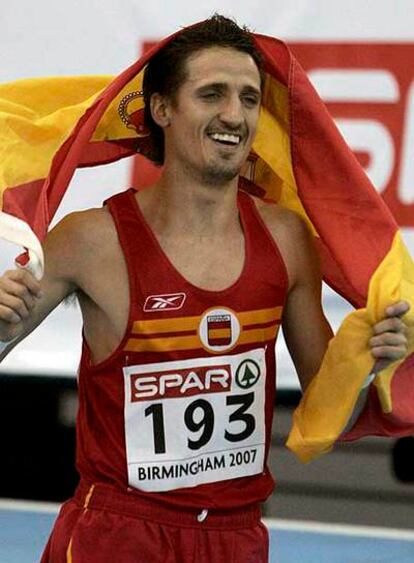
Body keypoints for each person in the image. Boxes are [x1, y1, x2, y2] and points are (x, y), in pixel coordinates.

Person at [0, 15, 410, 563]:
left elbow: (327, 411)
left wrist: (371, 362)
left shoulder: (288, 241)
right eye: (212, 93)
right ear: (162, 109)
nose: (234, 115)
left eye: (248, 98)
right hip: (116, 537)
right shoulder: (90, 240)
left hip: (235, 540)